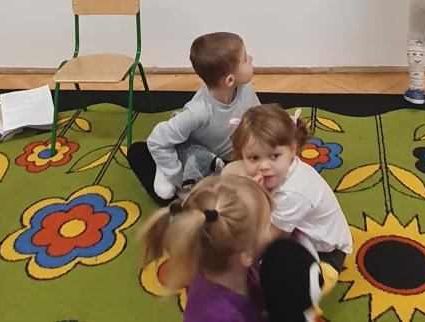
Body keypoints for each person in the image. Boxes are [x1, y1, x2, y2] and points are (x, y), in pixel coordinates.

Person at [229, 103, 352, 296]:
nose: (264, 166)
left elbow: (267, 238)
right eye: (253, 158)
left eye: (274, 156)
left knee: (277, 288)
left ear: (292, 149)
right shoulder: (279, 173)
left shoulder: (293, 193)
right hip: (296, 233)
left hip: (325, 254)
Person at [128, 32, 259, 204]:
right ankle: (170, 182)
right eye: (245, 59)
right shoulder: (198, 112)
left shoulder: (245, 88)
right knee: (137, 153)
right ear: (229, 80)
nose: (251, 58)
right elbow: (157, 141)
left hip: (225, 161)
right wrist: (178, 177)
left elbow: (260, 119)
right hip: (197, 161)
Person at [141, 174, 272, 322]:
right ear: (246, 254)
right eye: (267, 225)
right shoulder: (218, 316)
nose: (271, 230)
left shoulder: (233, 263)